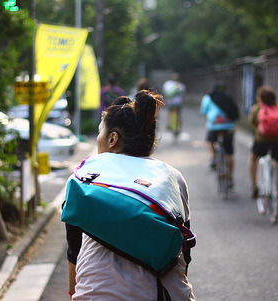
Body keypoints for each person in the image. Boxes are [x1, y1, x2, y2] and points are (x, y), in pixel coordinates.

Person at [65, 90, 194, 300]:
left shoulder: (88, 176)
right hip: (164, 293)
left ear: (112, 139)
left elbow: (74, 251)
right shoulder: (173, 176)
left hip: (98, 294)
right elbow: (184, 249)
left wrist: (72, 294)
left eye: (100, 133)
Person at [248, 86, 278, 203]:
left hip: (262, 141)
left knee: (253, 158)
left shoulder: (256, 109)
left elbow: (253, 124)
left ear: (260, 98)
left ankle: (254, 185)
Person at [199, 82, 239, 188]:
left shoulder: (208, 98)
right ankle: (230, 178)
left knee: (210, 141)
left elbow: (204, 112)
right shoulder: (228, 98)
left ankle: (213, 157)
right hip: (228, 127)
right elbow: (235, 112)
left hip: (214, 126)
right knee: (229, 153)